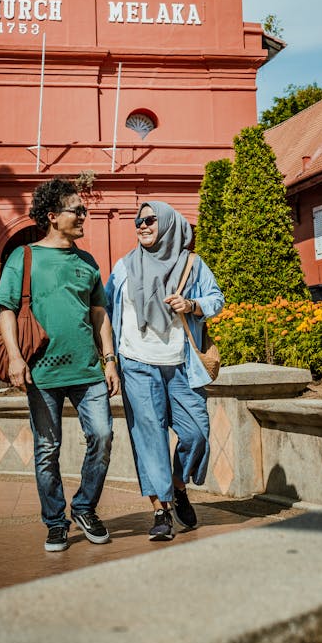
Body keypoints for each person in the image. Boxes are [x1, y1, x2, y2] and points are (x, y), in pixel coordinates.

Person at [0, 178, 120, 553]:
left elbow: (100, 314)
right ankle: (55, 521)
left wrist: (109, 360)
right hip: (42, 372)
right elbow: (5, 311)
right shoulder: (24, 257)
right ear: (52, 216)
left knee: (103, 435)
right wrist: (15, 357)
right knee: (48, 448)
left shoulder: (87, 261)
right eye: (77, 210)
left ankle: (84, 507)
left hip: (88, 370)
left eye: (84, 210)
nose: (84, 215)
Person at [106, 201, 224, 542]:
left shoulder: (192, 263)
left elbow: (216, 298)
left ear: (169, 224)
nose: (142, 225)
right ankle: (161, 510)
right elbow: (106, 309)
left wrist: (193, 305)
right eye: (138, 221)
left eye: (150, 220)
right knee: (150, 438)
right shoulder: (124, 266)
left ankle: (177, 483)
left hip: (182, 363)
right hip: (136, 363)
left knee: (196, 434)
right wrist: (109, 359)